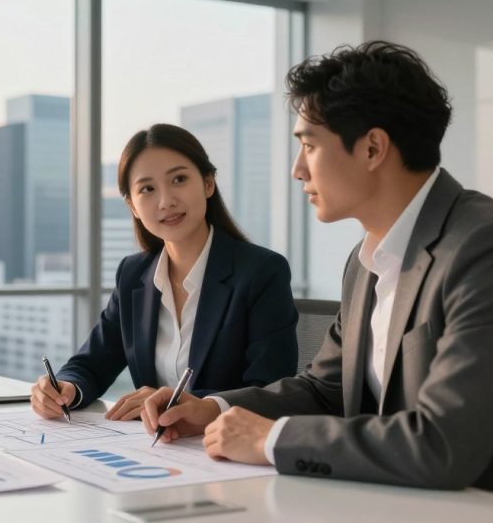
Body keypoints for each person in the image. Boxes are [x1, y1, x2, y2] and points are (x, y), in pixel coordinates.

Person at [141, 42, 493, 504]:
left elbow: (443, 443)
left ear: (373, 148)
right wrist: (213, 408)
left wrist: (269, 440)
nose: (298, 170)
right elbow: (325, 390)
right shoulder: (365, 260)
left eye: (309, 146)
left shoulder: (489, 248)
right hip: (390, 502)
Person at [32, 124, 298, 421]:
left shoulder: (261, 272)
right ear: (132, 205)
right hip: (157, 450)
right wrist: (66, 387)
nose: (165, 201)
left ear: (208, 183)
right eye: (147, 188)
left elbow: (271, 389)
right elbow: (92, 363)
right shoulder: (133, 274)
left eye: (179, 179)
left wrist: (177, 402)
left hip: (229, 447)